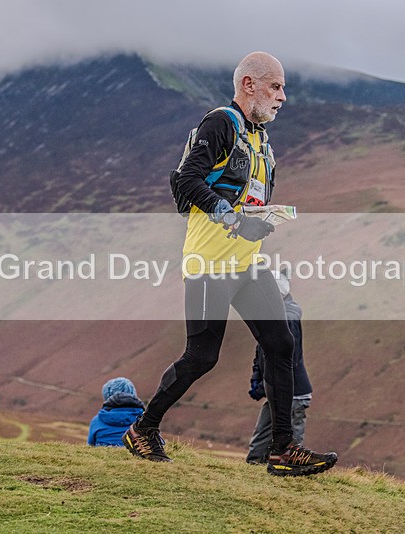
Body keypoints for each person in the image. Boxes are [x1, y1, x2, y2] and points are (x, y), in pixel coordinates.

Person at [123, 51, 337, 477]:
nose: (283, 97)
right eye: (275, 87)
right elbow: (187, 179)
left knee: (281, 345)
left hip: (247, 263)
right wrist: (232, 218)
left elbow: (245, 199)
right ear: (249, 85)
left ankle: (282, 449)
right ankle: (142, 430)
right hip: (209, 263)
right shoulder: (222, 122)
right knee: (202, 356)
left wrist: (259, 223)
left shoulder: (260, 138)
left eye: (283, 88)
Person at [246, 269, 312, 464]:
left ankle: (293, 467)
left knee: (289, 438)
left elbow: (287, 360)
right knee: (263, 433)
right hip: (276, 388)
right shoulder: (272, 314)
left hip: (293, 392)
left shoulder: (287, 319)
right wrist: (258, 378)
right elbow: (262, 350)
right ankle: (254, 465)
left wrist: (264, 382)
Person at [88, 377, 144, 447]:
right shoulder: (146, 419)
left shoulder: (97, 421)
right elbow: (159, 444)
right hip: (138, 456)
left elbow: (90, 446)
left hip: (103, 457)